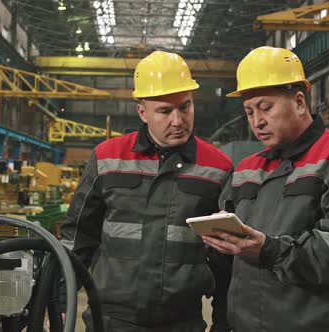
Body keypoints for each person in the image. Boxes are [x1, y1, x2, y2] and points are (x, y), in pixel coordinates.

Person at [202, 46, 329, 332]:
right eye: (249, 111)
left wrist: (268, 250)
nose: (257, 121)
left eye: (265, 107)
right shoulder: (247, 169)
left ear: (299, 102)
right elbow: (228, 264)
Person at [60, 51, 233, 332]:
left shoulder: (218, 167)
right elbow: (77, 238)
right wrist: (57, 300)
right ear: (142, 112)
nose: (177, 120)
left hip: (182, 321)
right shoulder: (107, 157)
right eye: (165, 111)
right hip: (111, 319)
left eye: (185, 107)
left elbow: (226, 258)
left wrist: (224, 321)